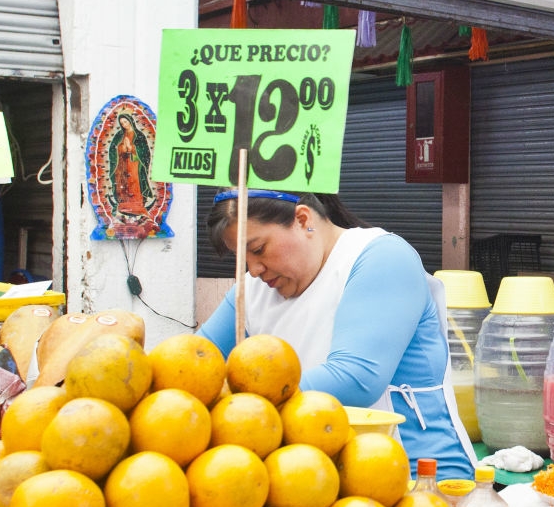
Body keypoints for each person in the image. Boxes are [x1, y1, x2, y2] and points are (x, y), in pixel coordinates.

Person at [200, 188, 473, 479]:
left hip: (415, 479)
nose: (253, 269)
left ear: (303, 220)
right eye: (241, 258)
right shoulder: (252, 290)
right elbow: (197, 362)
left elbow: (356, 378)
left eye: (257, 249)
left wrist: (238, 402)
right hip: (315, 482)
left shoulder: (382, 257)